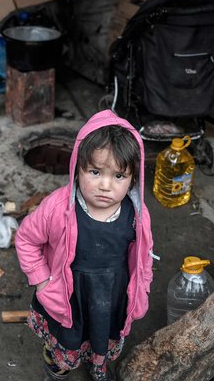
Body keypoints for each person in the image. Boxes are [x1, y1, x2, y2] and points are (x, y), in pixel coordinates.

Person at [15, 109, 155, 381]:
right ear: (76, 168)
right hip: (68, 296)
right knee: (63, 341)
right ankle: (56, 368)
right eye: (94, 171)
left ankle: (97, 365)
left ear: (133, 179)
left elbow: (143, 256)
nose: (105, 185)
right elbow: (26, 239)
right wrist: (42, 281)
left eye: (118, 176)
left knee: (100, 336)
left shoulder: (136, 215)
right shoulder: (56, 208)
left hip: (111, 295)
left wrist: (143, 287)